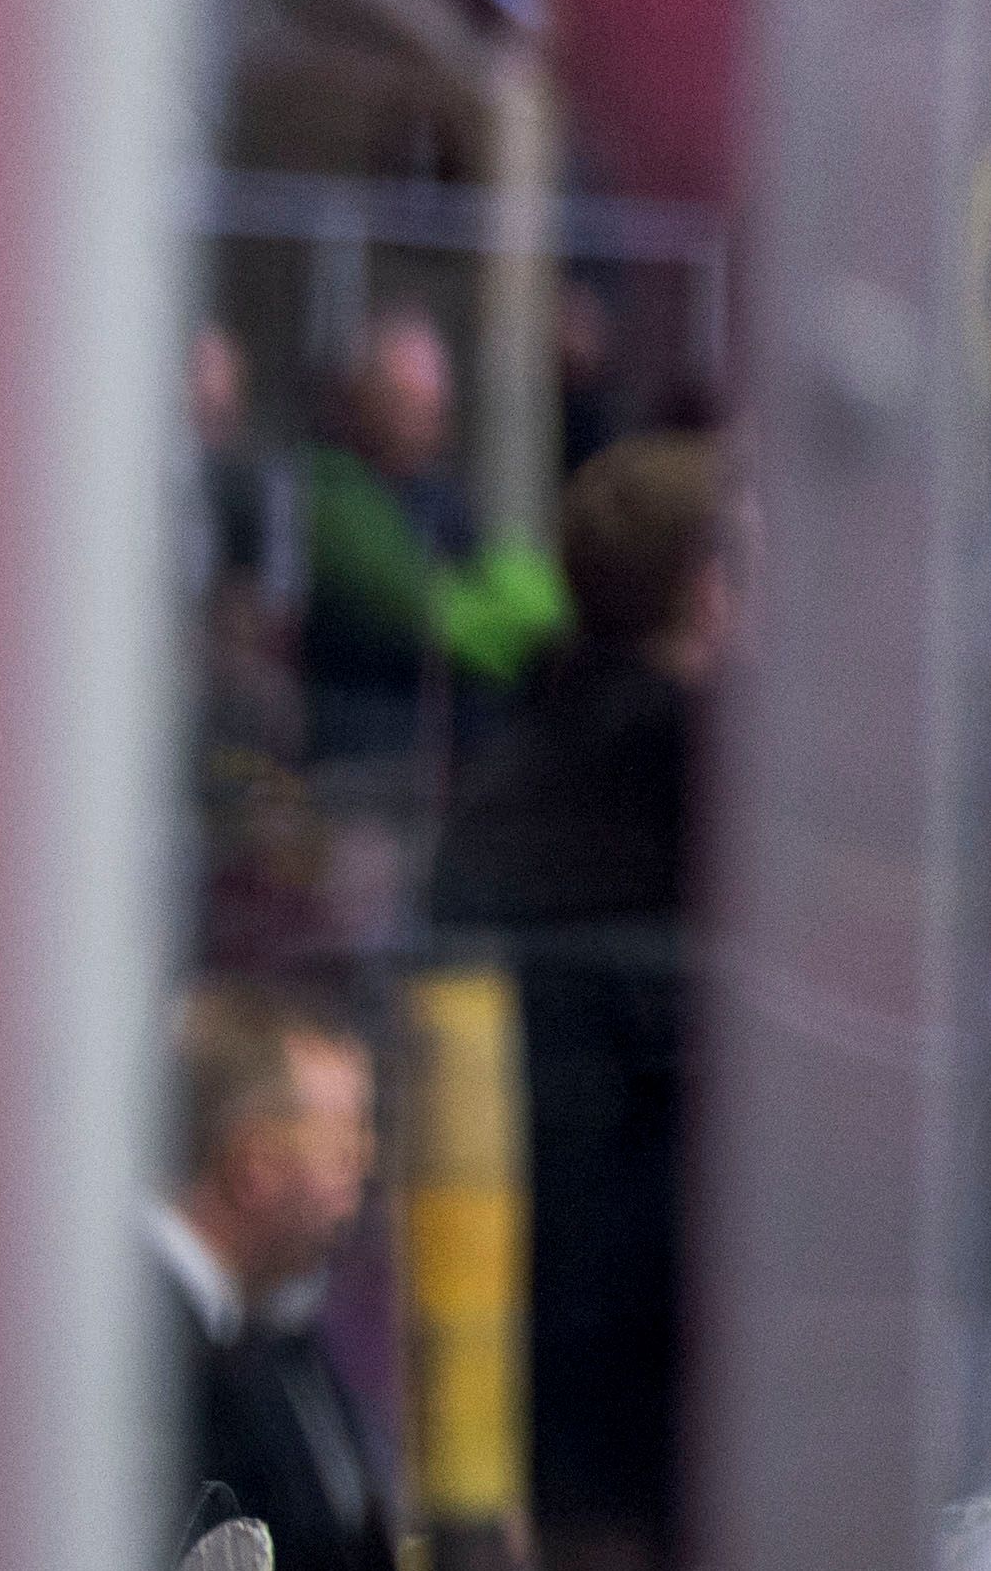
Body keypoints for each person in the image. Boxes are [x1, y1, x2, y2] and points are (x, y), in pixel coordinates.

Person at [430, 433, 734, 1571]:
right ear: (708, 588)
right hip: (673, 1352)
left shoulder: (514, 763)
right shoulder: (718, 792)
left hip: (535, 1355)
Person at [154, 976, 395, 1571]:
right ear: (253, 1164)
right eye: (342, 1140)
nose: (366, 1166)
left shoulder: (259, 1338)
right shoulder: (147, 1348)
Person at [300, 309, 566, 761]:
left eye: (437, 405)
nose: (431, 420)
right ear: (365, 400)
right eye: (409, 404)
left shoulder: (436, 493)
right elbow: (429, 616)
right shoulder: (333, 491)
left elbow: (508, 576)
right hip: (361, 739)